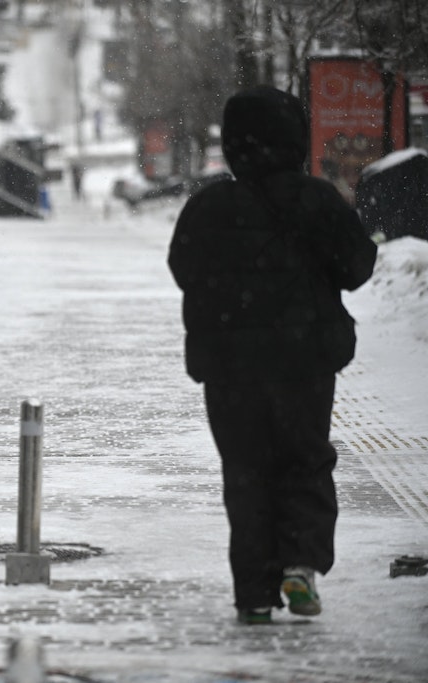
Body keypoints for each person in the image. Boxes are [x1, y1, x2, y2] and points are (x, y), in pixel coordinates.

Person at [167, 86, 377, 625]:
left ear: (233, 142)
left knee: (246, 472)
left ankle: (254, 593)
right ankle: (300, 564)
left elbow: (183, 269)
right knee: (305, 460)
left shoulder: (208, 206)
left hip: (230, 367)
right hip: (303, 363)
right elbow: (357, 268)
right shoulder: (317, 199)